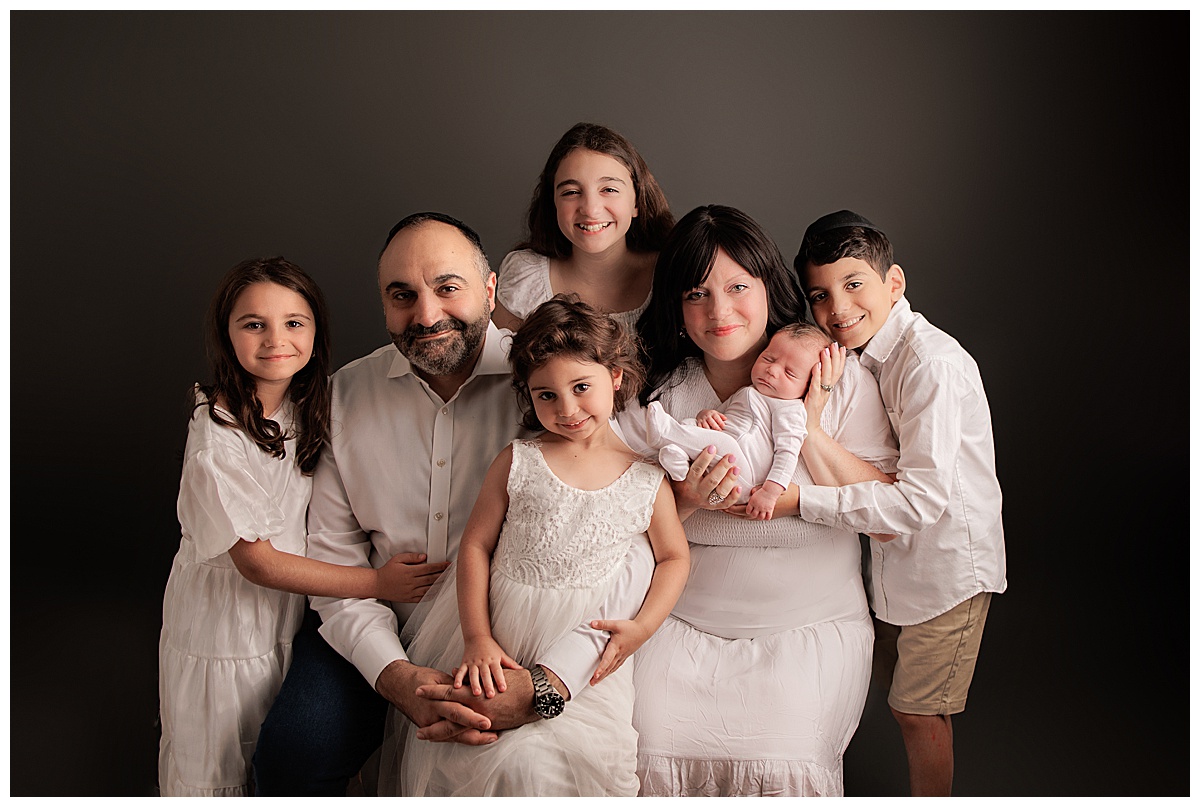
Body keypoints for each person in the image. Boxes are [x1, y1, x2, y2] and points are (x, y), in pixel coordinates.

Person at [251, 213, 656, 796]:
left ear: (490, 290)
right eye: (402, 295)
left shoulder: (556, 381)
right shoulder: (345, 394)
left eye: (447, 287)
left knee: (525, 774)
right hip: (377, 623)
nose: (426, 315)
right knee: (293, 753)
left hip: (519, 636)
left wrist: (546, 682)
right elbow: (336, 560)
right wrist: (396, 676)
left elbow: (618, 537)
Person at [629, 204, 900, 796]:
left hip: (806, 630)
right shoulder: (661, 396)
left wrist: (812, 427)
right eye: (696, 294)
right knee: (641, 746)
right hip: (678, 627)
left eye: (737, 288)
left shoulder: (835, 373)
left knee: (780, 760)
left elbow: (889, 516)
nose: (719, 312)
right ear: (676, 307)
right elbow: (620, 529)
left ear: (769, 287)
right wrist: (690, 500)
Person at [377, 296, 689, 796]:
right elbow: (476, 547)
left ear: (615, 375)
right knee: (486, 757)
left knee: (559, 767)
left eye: (581, 387)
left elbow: (673, 557)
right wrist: (478, 637)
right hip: (500, 633)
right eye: (546, 396)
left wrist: (642, 627)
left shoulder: (646, 478)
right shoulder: (519, 459)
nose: (566, 410)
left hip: (581, 646)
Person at [158, 257, 420, 796]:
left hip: (289, 616)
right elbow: (256, 563)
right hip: (223, 622)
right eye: (254, 324)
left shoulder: (310, 405)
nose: (276, 339)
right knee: (220, 759)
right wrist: (378, 584)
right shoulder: (218, 434)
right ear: (226, 334)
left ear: (316, 329)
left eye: (294, 323)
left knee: (281, 749)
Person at [793, 210, 1007, 796]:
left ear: (894, 283)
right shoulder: (860, 358)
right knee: (897, 701)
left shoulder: (929, 364)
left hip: (946, 573)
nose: (837, 309)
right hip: (893, 572)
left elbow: (919, 506)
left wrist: (802, 501)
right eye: (820, 295)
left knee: (919, 713)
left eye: (854, 284)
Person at [619, 322, 827, 520]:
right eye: (769, 359)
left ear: (809, 385)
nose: (772, 370)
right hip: (721, 463)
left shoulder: (789, 408)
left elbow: (788, 452)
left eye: (789, 373)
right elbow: (722, 418)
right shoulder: (748, 392)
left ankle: (666, 434)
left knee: (722, 445)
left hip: (746, 477)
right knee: (697, 427)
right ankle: (678, 460)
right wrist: (706, 415)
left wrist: (771, 492)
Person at [491, 122, 674, 332]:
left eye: (609, 189)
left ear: (636, 203)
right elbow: (498, 364)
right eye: (571, 192)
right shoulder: (526, 278)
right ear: (553, 204)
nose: (590, 209)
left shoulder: (671, 273)